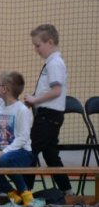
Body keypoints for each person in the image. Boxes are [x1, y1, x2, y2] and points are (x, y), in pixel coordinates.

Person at [23, 24, 72, 194]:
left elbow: (56, 91)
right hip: (48, 115)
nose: (36, 49)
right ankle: (67, 190)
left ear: (50, 42)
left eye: (38, 45)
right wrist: (34, 101)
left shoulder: (55, 63)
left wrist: (35, 99)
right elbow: (49, 90)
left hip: (48, 116)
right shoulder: (51, 63)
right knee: (50, 155)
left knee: (29, 151)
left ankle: (25, 191)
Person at [0, 71, 34, 206]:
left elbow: (22, 138)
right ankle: (11, 193)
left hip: (22, 153)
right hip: (2, 152)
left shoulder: (22, 110)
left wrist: (3, 152)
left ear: (5, 89)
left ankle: (25, 192)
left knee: (4, 159)